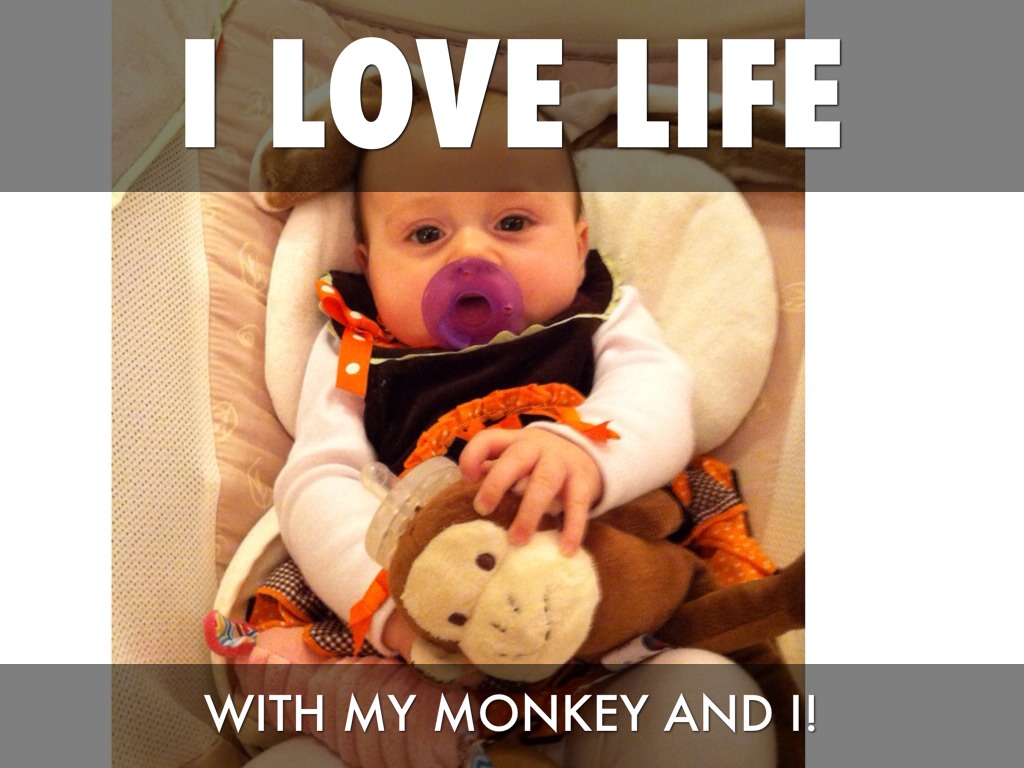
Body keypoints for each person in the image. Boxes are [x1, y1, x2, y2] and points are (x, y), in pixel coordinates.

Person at [273, 93, 694, 663]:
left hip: (608, 601)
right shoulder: (357, 346)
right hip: (437, 633)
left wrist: (584, 451)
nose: (470, 253)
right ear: (370, 269)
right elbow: (317, 479)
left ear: (578, 247)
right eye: (426, 234)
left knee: (699, 678)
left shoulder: (598, 313)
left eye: (513, 222)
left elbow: (658, 392)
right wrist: (394, 611)